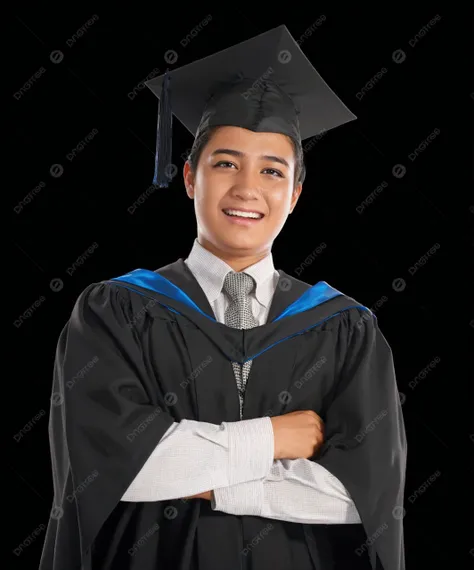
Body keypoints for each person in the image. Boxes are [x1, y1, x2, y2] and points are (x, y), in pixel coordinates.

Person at [39, 24, 407, 570]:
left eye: (272, 171)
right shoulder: (116, 312)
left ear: (295, 196)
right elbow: (119, 468)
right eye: (225, 163)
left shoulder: (345, 328)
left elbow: (360, 498)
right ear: (190, 177)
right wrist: (273, 438)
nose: (246, 189)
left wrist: (209, 482)